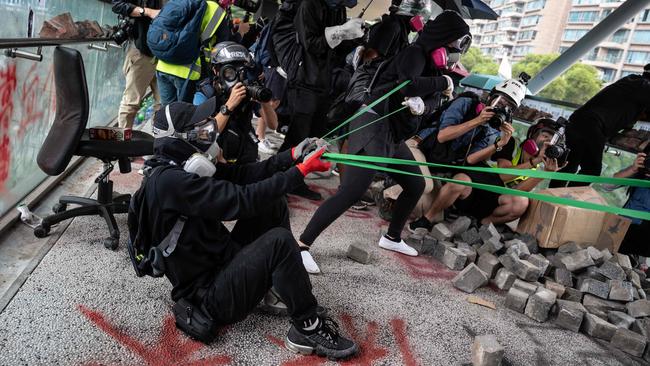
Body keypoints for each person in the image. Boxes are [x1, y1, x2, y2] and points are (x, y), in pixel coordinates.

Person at [128, 100, 359, 359]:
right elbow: (241, 199)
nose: (207, 129)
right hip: (210, 297)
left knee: (272, 204)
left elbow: (244, 174)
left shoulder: (182, 168)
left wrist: (292, 155)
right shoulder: (169, 182)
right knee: (279, 242)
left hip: (222, 265)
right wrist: (299, 172)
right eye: (197, 126)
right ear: (178, 137)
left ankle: (280, 287)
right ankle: (307, 327)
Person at [296, 11, 470, 274]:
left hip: (391, 132)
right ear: (444, 39)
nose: (456, 51)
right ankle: (301, 245)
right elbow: (408, 85)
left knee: (416, 183)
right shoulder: (415, 53)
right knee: (352, 191)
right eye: (455, 43)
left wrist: (426, 103)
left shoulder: (436, 67)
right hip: (372, 124)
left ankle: (392, 237)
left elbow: (436, 99)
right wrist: (441, 82)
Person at [409, 76, 531, 231]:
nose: (501, 108)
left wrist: (498, 144)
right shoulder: (466, 103)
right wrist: (477, 120)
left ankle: (429, 215)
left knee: (432, 202)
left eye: (508, 107)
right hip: (421, 147)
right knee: (423, 187)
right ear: (490, 96)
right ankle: (390, 190)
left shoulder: (493, 129)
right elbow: (442, 136)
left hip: (442, 162)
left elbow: (471, 159)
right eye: (499, 102)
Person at [275, 0, 365, 200]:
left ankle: (296, 180)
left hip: (324, 80)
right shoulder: (309, 4)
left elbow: (335, 51)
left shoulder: (338, 9)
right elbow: (312, 44)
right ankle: (278, 181)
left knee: (315, 135)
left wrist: (353, 37)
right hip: (303, 77)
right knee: (298, 135)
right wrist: (341, 31)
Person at [550, 64, 650, 188]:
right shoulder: (644, 87)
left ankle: (550, 199)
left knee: (569, 165)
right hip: (592, 125)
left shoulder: (632, 80)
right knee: (592, 170)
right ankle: (567, 199)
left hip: (578, 120)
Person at [193, 42, 276, 164]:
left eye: (242, 70)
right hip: (217, 158)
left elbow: (273, 125)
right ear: (216, 70)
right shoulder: (205, 94)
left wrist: (265, 102)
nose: (237, 76)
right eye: (229, 72)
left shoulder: (245, 89)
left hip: (244, 153)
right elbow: (201, 135)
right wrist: (229, 106)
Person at [155, 0, 231, 105]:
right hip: (187, 70)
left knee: (167, 114)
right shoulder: (216, 10)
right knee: (184, 115)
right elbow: (223, 45)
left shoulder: (179, 2)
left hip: (163, 65)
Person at [111, 0, 163, 128]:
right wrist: (147, 12)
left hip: (164, 53)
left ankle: (160, 141)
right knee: (131, 103)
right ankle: (122, 144)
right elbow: (118, 5)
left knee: (164, 104)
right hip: (142, 51)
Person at [607, 147, 650, 258]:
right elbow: (607, 186)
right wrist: (633, 169)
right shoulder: (641, 173)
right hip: (621, 228)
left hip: (644, 240)